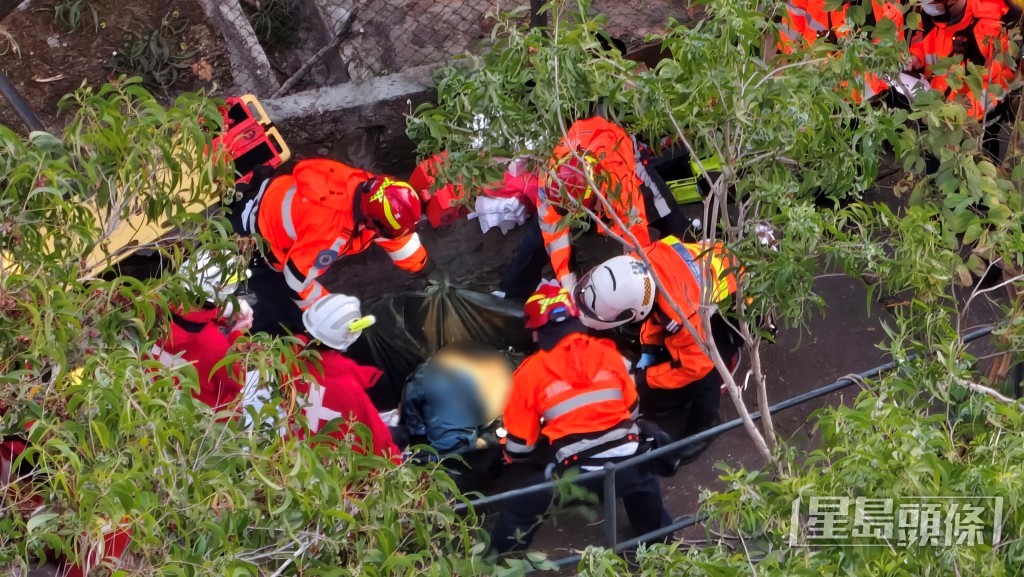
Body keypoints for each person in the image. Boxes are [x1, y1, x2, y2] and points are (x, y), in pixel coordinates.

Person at [489, 283, 672, 554]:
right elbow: (632, 410)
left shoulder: (529, 374)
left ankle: (502, 557)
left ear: (537, 333)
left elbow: (520, 447)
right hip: (631, 465)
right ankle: (659, 544)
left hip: (577, 478)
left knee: (519, 507)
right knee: (645, 489)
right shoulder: (611, 355)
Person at [572, 237, 743, 459]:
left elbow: (695, 366)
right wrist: (649, 349)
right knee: (658, 342)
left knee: (705, 369)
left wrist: (646, 378)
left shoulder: (682, 314)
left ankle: (706, 425)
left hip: (737, 310)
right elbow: (654, 312)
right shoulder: (639, 261)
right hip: (707, 271)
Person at [499, 117, 689, 298]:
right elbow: (554, 234)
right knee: (535, 240)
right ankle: (511, 292)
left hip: (623, 152)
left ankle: (691, 259)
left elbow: (634, 231)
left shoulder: (618, 180)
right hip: (582, 149)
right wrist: (568, 284)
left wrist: (634, 280)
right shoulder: (549, 183)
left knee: (667, 214)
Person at [230, 159, 430, 312]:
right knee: (280, 311)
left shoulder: (370, 186)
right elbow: (296, 281)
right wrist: (327, 312)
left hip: (270, 193)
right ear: (371, 221)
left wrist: (423, 266)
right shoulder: (331, 235)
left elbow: (395, 235)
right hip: (262, 237)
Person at [151, 252, 253, 412]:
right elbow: (237, 381)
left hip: (159, 401)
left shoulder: (153, 308)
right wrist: (237, 331)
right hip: (206, 420)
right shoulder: (215, 345)